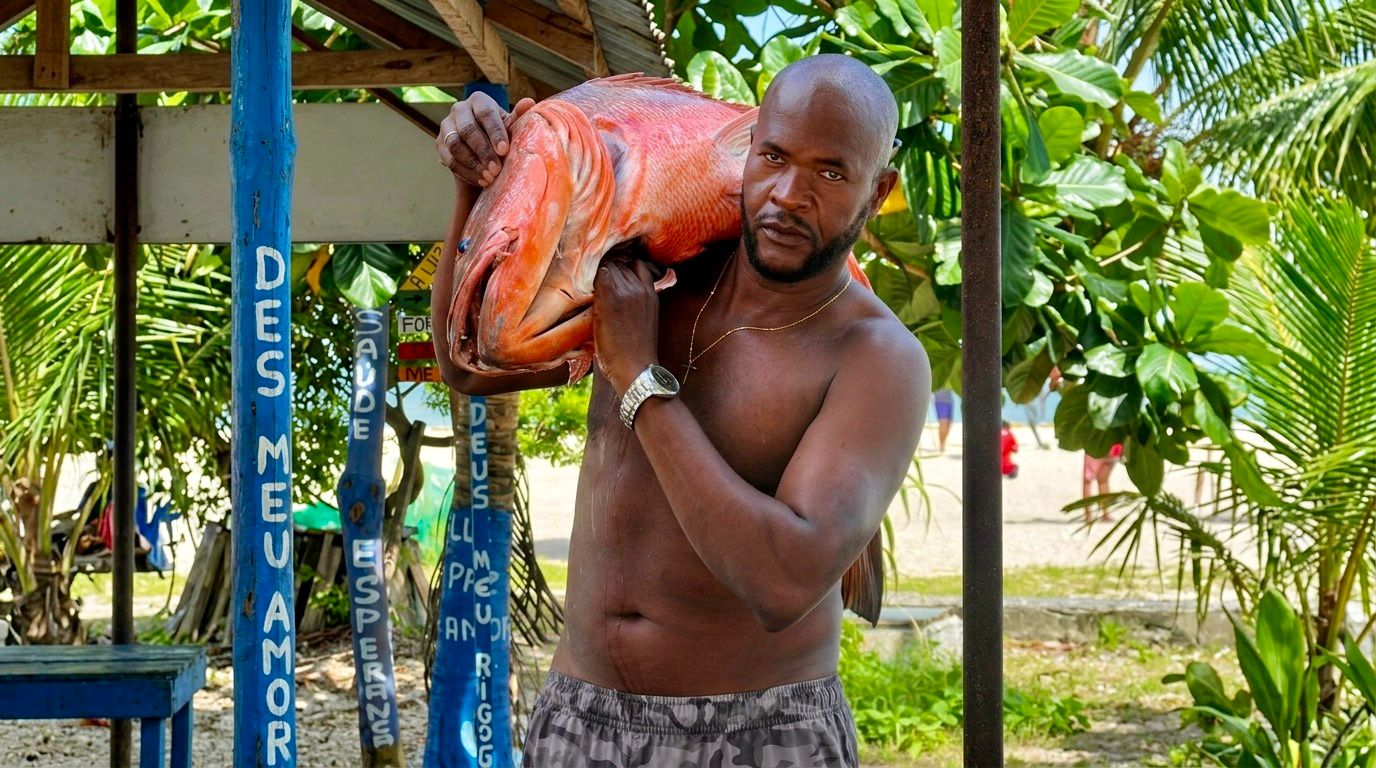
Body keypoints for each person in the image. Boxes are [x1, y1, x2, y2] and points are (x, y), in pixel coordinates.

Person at [433, 56, 930, 767]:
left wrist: (638, 378)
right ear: (746, 148)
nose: (788, 194)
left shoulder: (876, 356)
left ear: (877, 191)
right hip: (580, 717)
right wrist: (475, 188)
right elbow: (467, 366)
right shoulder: (658, 269)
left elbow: (782, 582)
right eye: (776, 157)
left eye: (831, 173)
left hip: (758, 732)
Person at [1083, 443, 1122, 523]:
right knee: (1103, 482)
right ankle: (1106, 513)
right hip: (1114, 448)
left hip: (1096, 446)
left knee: (1087, 482)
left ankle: (1088, 515)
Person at [932, 388, 954, 453]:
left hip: (949, 400)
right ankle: (941, 445)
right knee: (943, 424)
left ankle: (943, 443)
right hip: (940, 401)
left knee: (949, 424)